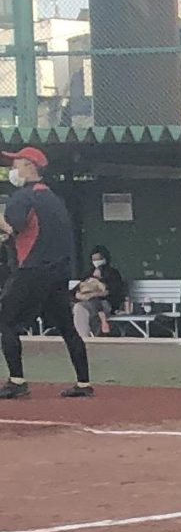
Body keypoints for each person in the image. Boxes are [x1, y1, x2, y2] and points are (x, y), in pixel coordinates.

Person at [0, 145, 94, 400]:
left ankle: (17, 381)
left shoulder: (23, 196)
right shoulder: (54, 198)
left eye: (15, 165)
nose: (12, 170)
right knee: (67, 326)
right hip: (59, 271)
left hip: (32, 269)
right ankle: (84, 382)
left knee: (6, 320)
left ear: (29, 166)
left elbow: (13, 227)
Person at [73, 247, 127, 340]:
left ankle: (85, 338)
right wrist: (79, 295)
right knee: (79, 308)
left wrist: (94, 294)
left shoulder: (112, 273)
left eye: (99, 259)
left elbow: (113, 291)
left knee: (82, 308)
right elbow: (77, 289)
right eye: (94, 259)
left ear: (105, 258)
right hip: (87, 303)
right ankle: (84, 338)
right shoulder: (88, 273)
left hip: (105, 303)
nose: (96, 262)